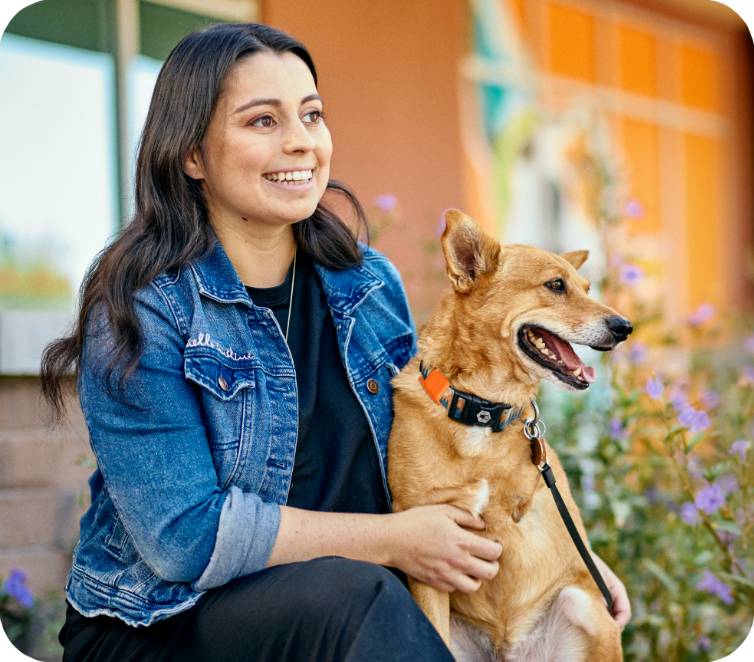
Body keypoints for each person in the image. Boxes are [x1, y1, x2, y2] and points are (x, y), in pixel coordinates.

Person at [41, 22, 629, 662]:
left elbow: (440, 448)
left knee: (378, 598)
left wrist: (565, 556)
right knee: (368, 594)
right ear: (191, 154)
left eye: (311, 114)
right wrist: (394, 540)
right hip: (163, 626)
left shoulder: (366, 284)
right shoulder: (143, 308)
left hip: (349, 606)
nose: (300, 142)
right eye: (262, 121)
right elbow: (185, 538)